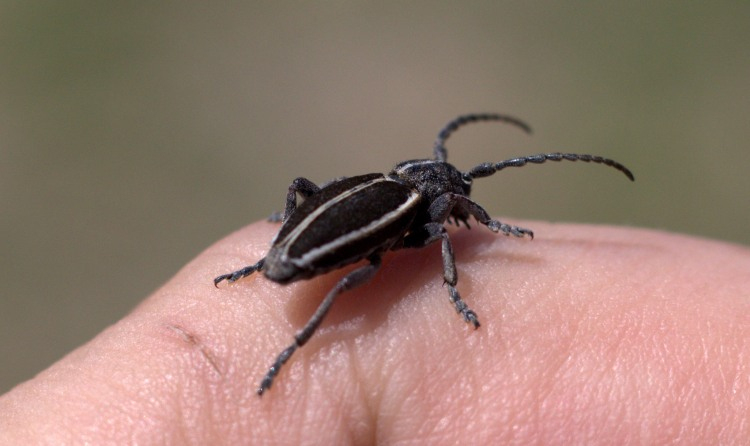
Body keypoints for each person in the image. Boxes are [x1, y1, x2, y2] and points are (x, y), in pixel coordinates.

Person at [2, 221, 749, 444]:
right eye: (459, 199)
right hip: (305, 257)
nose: (464, 211)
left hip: (292, 250)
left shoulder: (409, 194)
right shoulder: (424, 219)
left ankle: (264, 271)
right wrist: (454, 294)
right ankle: (293, 347)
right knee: (360, 282)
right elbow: (451, 236)